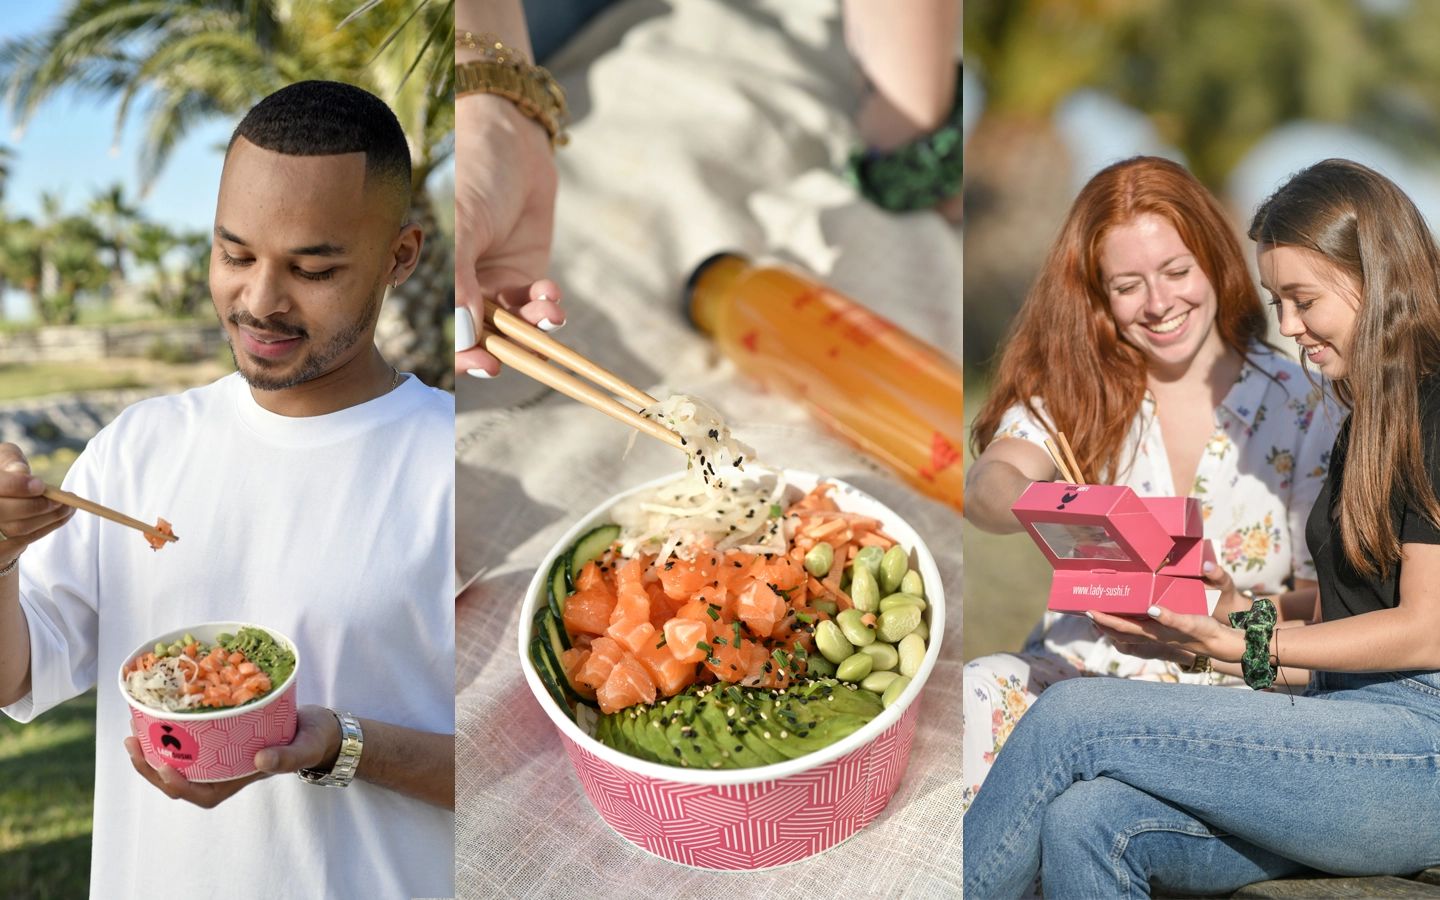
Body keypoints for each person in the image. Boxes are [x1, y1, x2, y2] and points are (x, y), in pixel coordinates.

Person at [0, 81, 454, 899]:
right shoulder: (138, 447)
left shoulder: (457, 466)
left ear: (401, 256)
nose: (259, 302)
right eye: (234, 254)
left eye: (312, 268)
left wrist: (335, 745)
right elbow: (13, 675)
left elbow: (532, 770)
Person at [964, 158, 1440, 898]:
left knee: (1073, 717)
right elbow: (1341, 632)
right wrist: (1214, 618)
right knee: (1088, 821)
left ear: (1374, 276)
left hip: (1415, 741)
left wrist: (1247, 641)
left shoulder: (1429, 407)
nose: (1287, 324)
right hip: (1346, 723)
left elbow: (1426, 631)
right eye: (1278, 300)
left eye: (1302, 299)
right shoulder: (1366, 423)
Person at [962, 156, 1336, 809]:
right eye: (1128, 284)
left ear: (1214, 262)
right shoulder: (1079, 391)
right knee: (979, 689)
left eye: (1175, 271)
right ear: (1099, 294)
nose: (1159, 304)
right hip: (1082, 675)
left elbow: (1321, 606)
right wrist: (1053, 505)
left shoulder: (1306, 406)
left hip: (1232, 696)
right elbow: (988, 483)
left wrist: (1206, 616)